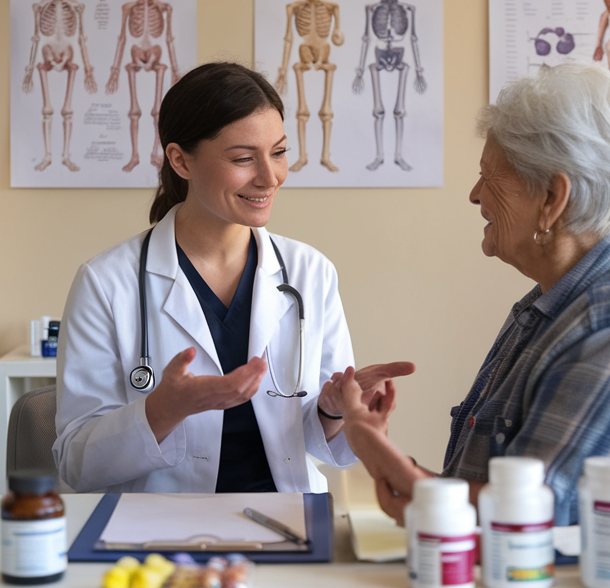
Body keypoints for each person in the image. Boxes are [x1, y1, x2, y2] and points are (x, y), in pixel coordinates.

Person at [338, 63, 610, 525]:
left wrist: (388, 461)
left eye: (489, 175)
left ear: (552, 199)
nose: (475, 195)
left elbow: (535, 519)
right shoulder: (556, 307)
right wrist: (398, 468)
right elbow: (508, 497)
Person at [54, 62, 413, 493]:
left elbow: (318, 442)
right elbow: (76, 462)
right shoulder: (106, 283)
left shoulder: (309, 272)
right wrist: (163, 410)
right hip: (161, 529)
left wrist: (335, 410)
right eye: (243, 158)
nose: (269, 176)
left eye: (278, 152)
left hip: (288, 517)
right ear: (180, 160)